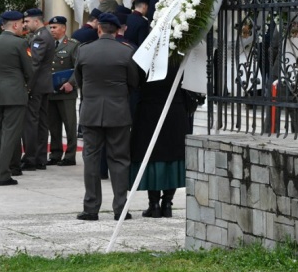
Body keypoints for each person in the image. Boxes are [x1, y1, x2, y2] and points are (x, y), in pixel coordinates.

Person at [74, 13, 140, 221]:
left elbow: (79, 79)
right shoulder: (126, 52)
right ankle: (120, 208)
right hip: (118, 112)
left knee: (91, 159)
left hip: (91, 111)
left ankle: (91, 207)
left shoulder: (84, 51)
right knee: (119, 160)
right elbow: (133, 82)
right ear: (117, 30)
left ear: (99, 29)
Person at [130, 62, 190, 218]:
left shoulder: (145, 60)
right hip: (175, 110)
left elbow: (134, 84)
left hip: (149, 111)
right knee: (173, 156)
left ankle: (154, 204)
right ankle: (167, 203)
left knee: (153, 157)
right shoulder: (180, 61)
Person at [0, 11, 33, 186]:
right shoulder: (20, 43)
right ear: (16, 25)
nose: (23, 27)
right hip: (15, 93)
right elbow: (29, 70)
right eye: (22, 23)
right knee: (10, 134)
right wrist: (27, 87)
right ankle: (4, 174)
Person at [22, 9, 55, 170]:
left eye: (27, 21)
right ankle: (40, 157)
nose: (25, 24)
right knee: (41, 122)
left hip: (36, 86)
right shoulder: (43, 35)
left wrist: (28, 86)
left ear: (36, 21)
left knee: (32, 122)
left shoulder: (40, 37)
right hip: (43, 84)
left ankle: (31, 158)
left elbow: (34, 64)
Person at [46, 15, 79, 166]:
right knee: (53, 125)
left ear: (63, 28)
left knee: (69, 124)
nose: (52, 30)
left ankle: (70, 155)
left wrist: (71, 83)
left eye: (55, 27)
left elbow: (78, 67)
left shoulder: (72, 45)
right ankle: (55, 153)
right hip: (51, 91)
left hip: (66, 92)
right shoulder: (47, 44)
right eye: (50, 27)